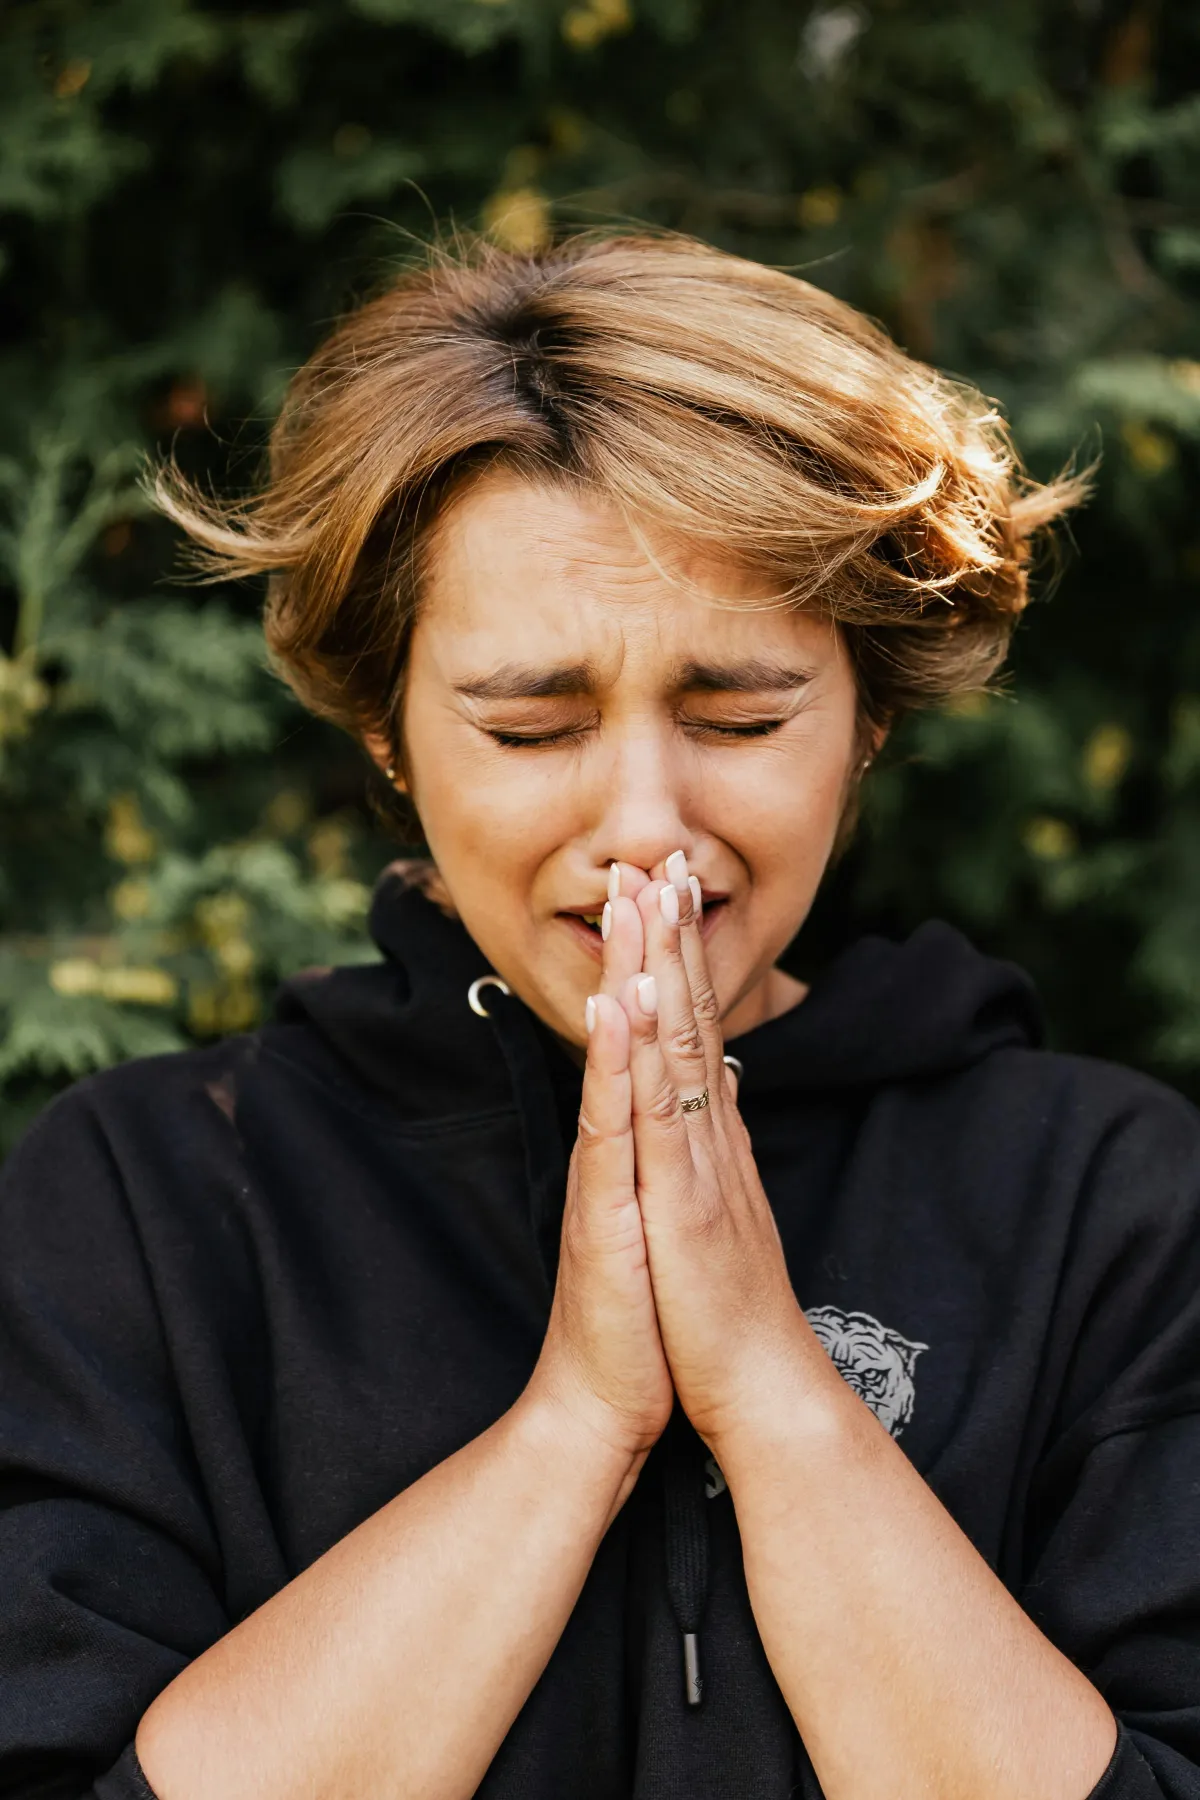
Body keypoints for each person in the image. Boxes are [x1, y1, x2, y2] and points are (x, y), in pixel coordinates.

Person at [1, 232, 1198, 1800]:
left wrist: (767, 1387)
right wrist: (576, 1422)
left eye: (740, 717)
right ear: (386, 729)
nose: (645, 823)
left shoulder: (1106, 1202)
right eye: (531, 726)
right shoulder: (144, 1206)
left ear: (870, 713)